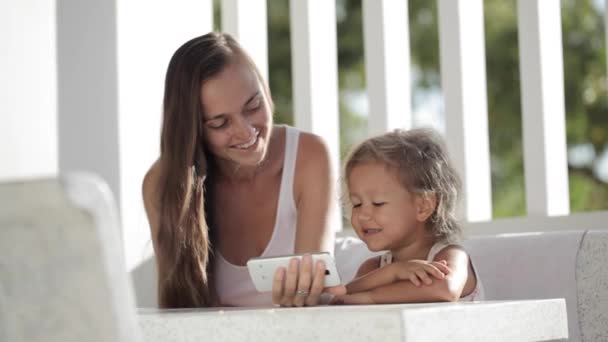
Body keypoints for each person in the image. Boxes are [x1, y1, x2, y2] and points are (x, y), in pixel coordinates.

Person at [142, 32, 340, 308]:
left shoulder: (309, 156)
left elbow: (312, 292)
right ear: (193, 131)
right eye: (220, 124)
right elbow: (180, 308)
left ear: (265, 89)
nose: (246, 132)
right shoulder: (163, 183)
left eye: (253, 106)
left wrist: (301, 295)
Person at [331, 128, 484, 304]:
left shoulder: (449, 255)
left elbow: (445, 288)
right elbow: (341, 297)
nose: (362, 215)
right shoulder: (374, 268)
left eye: (378, 203)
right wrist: (392, 272)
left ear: (422, 207)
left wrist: (371, 297)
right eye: (357, 204)